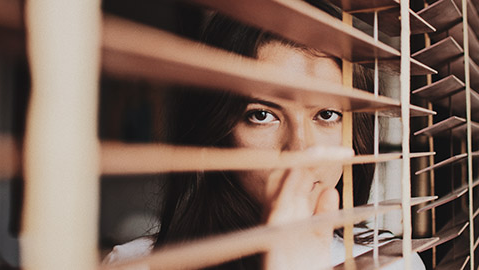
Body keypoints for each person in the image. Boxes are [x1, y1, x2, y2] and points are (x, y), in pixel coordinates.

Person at [104, 1, 426, 269]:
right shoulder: (137, 265)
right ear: (219, 132)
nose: (300, 150)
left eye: (327, 115)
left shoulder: (392, 263)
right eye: (262, 115)